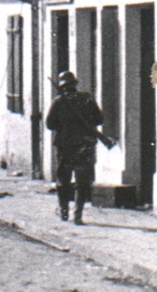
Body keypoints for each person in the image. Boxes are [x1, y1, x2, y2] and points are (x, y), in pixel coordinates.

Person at [46, 70, 105, 225]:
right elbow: (99, 119)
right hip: (84, 145)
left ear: (62, 86)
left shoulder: (58, 102)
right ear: (74, 85)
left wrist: (64, 124)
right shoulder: (86, 99)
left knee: (63, 181)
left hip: (65, 146)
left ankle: (64, 212)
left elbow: (49, 124)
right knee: (82, 181)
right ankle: (78, 215)